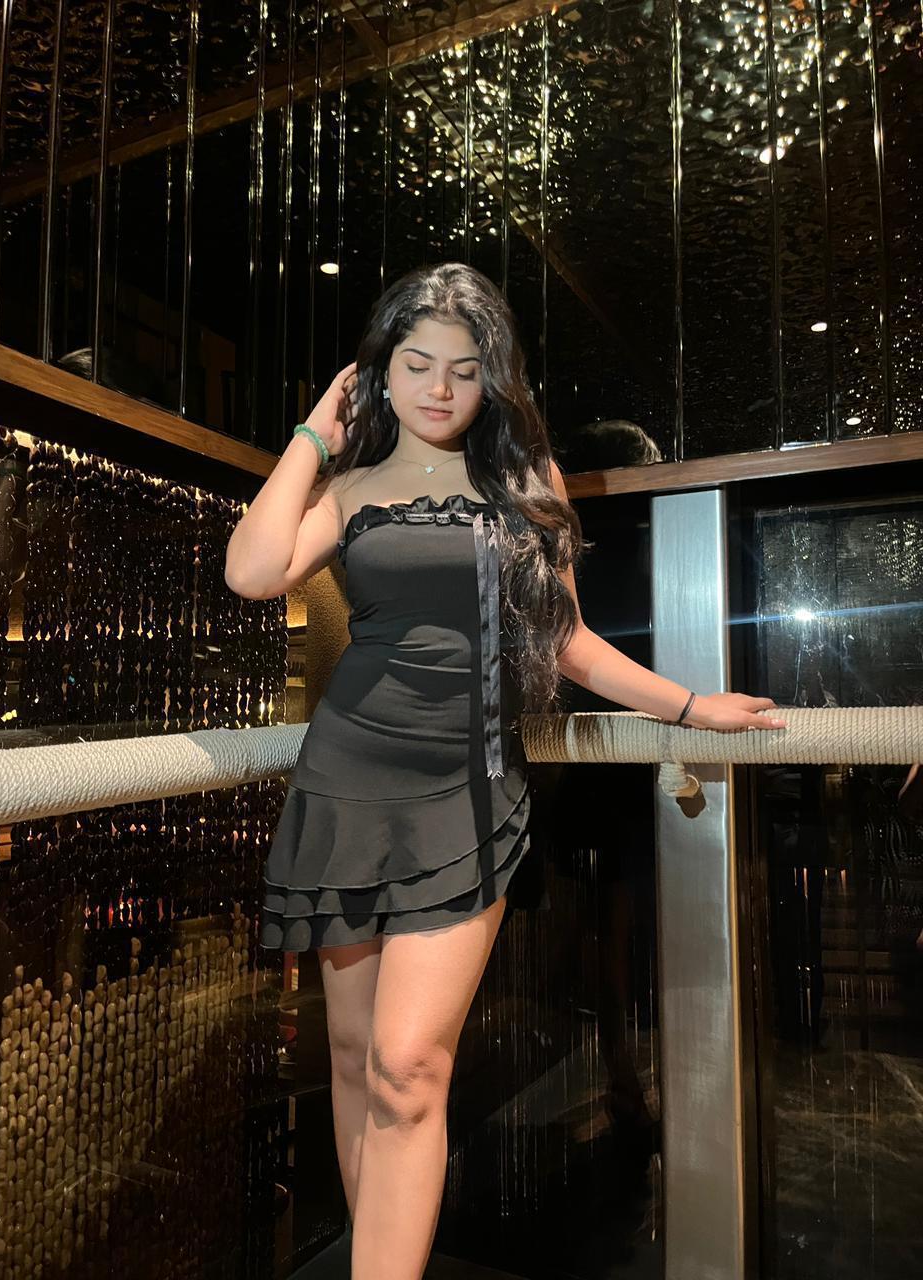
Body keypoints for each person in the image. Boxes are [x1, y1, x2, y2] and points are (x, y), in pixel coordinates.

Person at [224, 262, 786, 1280]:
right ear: (379, 371)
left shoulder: (521, 483)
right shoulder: (350, 486)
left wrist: (690, 705)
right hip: (345, 782)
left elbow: (568, 643)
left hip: (466, 791)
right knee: (352, 1057)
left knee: (407, 1065)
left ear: (493, 380)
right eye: (416, 364)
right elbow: (253, 571)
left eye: (464, 369)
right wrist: (313, 435)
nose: (439, 387)